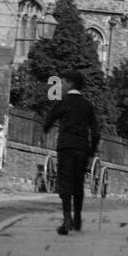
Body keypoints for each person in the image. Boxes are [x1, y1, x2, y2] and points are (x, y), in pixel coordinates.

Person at [42, 69, 100, 234]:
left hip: (66, 146)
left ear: (70, 84)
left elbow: (49, 119)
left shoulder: (63, 102)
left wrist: (47, 128)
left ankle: (67, 218)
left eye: (63, 82)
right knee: (78, 183)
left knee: (65, 182)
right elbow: (96, 131)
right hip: (82, 148)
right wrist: (92, 150)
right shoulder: (87, 105)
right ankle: (78, 219)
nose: (61, 86)